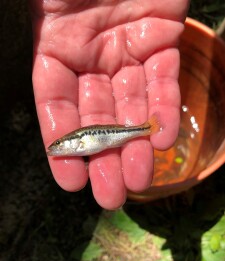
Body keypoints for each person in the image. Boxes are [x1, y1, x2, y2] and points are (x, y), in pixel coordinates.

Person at [30, 0, 190, 209]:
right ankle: (145, 128)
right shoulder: (76, 145)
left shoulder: (78, 143)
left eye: (59, 145)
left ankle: (146, 128)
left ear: (70, 141)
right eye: (58, 145)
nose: (56, 148)